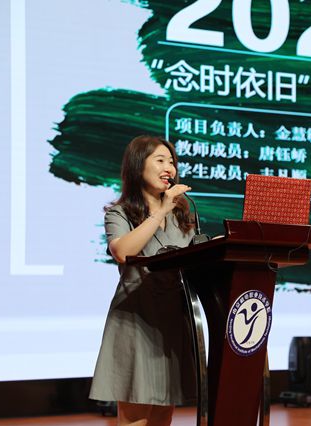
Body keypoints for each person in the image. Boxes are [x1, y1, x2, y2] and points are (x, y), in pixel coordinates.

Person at [89, 135, 197, 426]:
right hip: (135, 319)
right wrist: (160, 211)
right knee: (136, 416)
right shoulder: (120, 212)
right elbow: (123, 251)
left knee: (162, 415)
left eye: (171, 162)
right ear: (138, 166)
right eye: (160, 160)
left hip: (172, 321)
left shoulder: (181, 216)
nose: (169, 168)